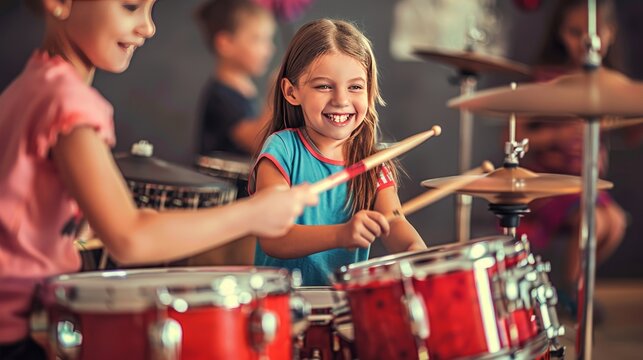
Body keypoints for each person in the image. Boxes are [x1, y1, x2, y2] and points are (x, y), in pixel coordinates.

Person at [0, 1, 317, 358]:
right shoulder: (67, 102)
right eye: (131, 6)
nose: (148, 27)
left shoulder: (31, 84)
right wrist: (254, 213)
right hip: (18, 337)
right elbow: (130, 239)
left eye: (151, 10)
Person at [250, 19, 427, 286]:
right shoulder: (281, 149)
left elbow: (396, 225)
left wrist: (420, 257)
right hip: (282, 307)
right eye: (324, 86)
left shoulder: (374, 164)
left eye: (355, 87)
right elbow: (273, 238)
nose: (341, 100)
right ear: (291, 91)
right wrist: (341, 235)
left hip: (345, 308)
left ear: (369, 92)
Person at [516, 0, 627, 300]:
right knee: (593, 221)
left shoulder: (609, 84)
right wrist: (557, 135)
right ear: (559, 34)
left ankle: (573, 286)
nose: (584, 42)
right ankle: (573, 293)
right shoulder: (546, 81)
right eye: (574, 32)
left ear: (610, 34)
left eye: (592, 33)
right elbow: (514, 135)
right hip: (547, 184)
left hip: (586, 185)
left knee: (615, 223)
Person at [195, 0, 276, 157]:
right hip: (219, 181)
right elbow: (258, 142)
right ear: (225, 43)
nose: (269, 49)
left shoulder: (246, 91)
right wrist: (276, 95)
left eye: (269, 40)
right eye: (258, 39)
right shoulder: (221, 97)